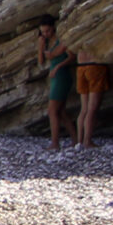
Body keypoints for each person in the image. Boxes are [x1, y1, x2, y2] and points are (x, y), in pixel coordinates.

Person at [34, 16, 74, 151]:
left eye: (48, 31)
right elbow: (41, 62)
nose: (46, 34)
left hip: (62, 75)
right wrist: (40, 47)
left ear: (53, 28)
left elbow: (71, 56)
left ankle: (55, 143)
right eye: (43, 32)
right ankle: (76, 139)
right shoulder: (46, 42)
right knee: (61, 111)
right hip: (55, 77)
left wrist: (58, 66)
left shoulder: (60, 39)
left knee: (52, 111)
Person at [74, 53, 110, 149]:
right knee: (92, 109)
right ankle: (87, 141)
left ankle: (79, 141)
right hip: (95, 66)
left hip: (80, 67)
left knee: (84, 109)